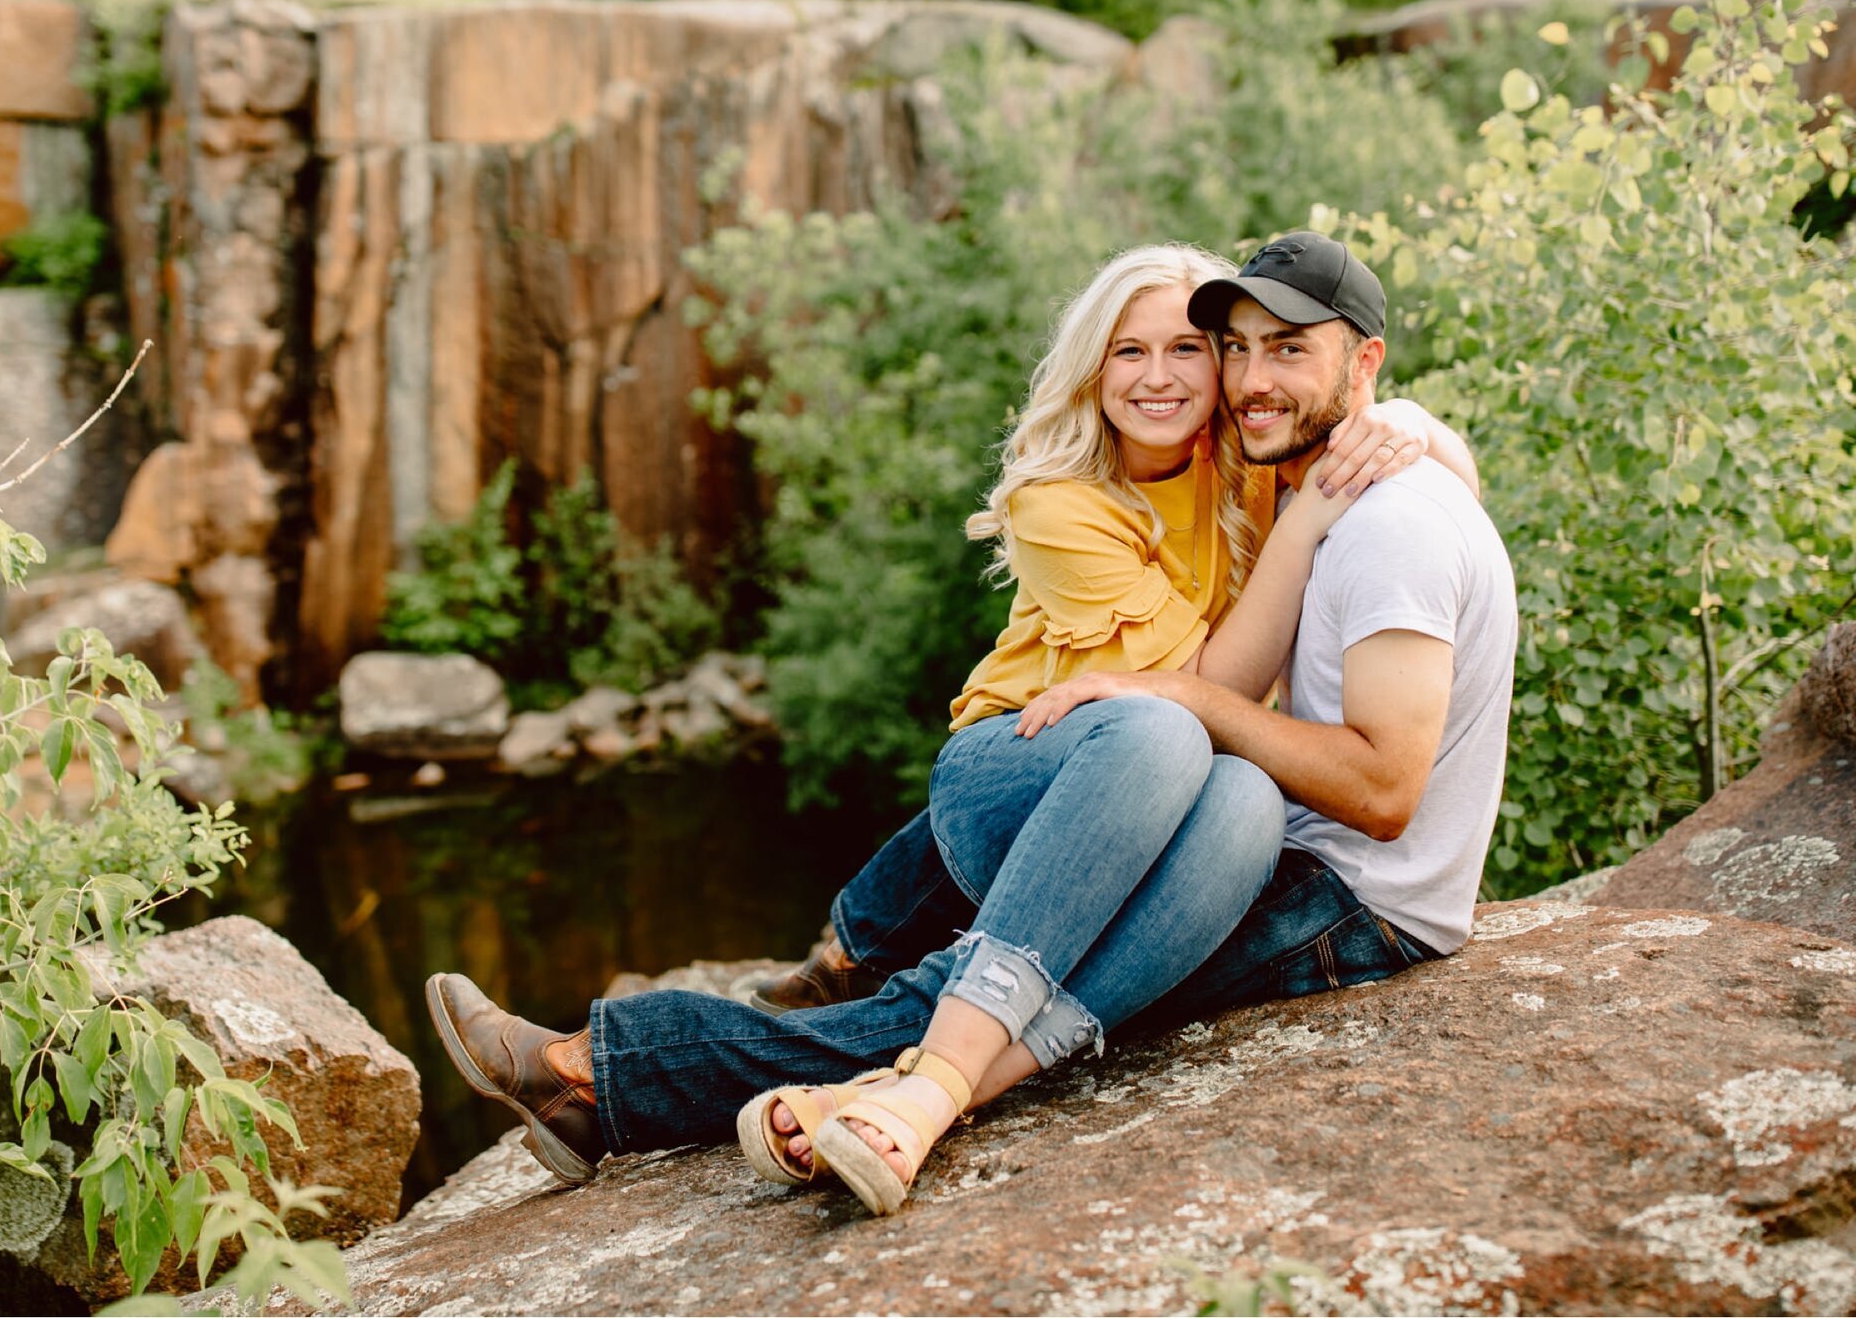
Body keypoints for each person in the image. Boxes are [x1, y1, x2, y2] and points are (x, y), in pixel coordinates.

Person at [424, 234, 1510, 1218]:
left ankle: (613, 1081)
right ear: (1094, 368)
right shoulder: (1100, 494)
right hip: (1034, 770)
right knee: (1165, 743)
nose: (1218, 375)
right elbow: (1179, 693)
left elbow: (1323, 707)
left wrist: (1414, 428)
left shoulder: (1282, 472)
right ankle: (763, 1026)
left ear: (1360, 362)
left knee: (1187, 798)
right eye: (1231, 349)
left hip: (1220, 814)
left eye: (1213, 349)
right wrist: (1325, 490)